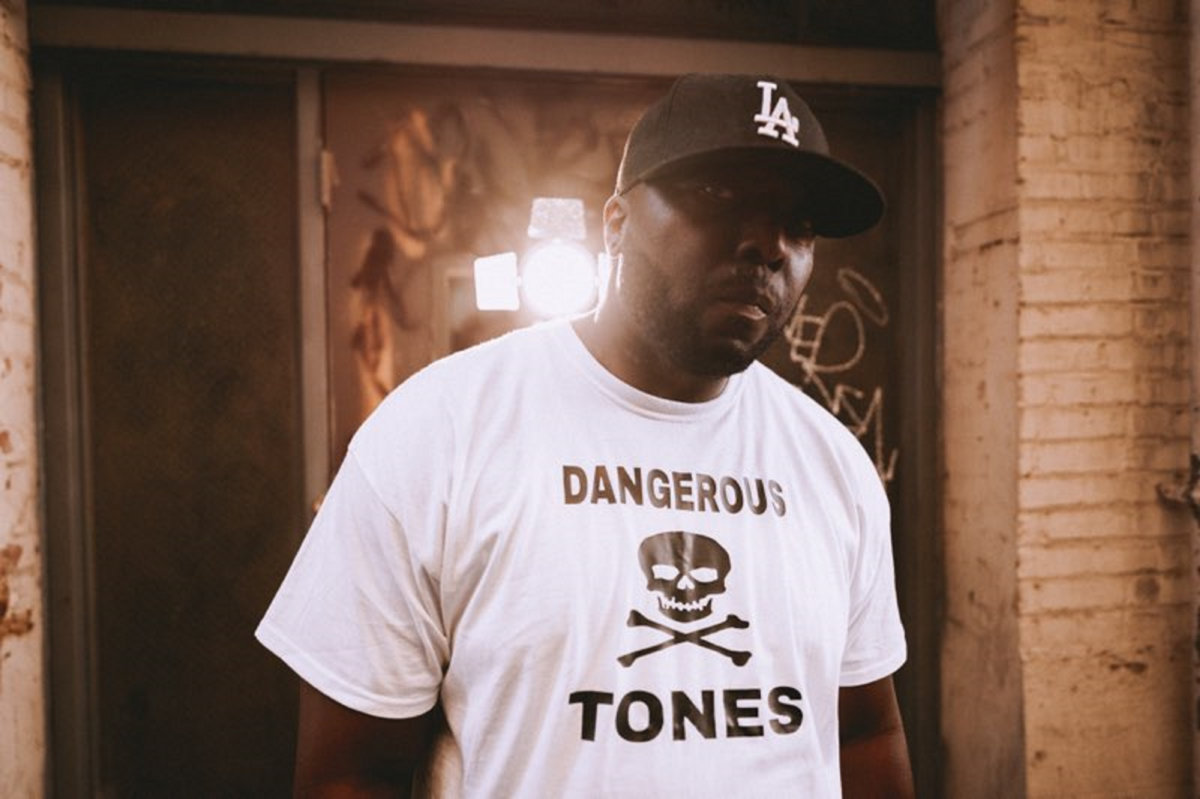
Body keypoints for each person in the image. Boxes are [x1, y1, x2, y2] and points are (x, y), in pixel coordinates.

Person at [257, 72, 913, 797]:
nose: (768, 244)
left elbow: (863, 733)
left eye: (801, 224)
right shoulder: (439, 432)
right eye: (718, 195)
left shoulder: (832, 463)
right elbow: (351, 773)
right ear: (617, 224)